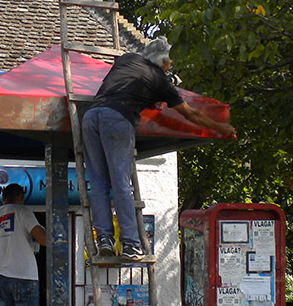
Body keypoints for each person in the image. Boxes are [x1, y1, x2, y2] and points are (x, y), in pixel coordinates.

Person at [82, 37, 237, 260]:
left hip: (91, 116)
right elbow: (190, 113)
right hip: (116, 119)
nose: (170, 66)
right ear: (163, 62)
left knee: (97, 183)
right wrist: (220, 127)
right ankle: (130, 244)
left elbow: (128, 83)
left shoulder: (127, 59)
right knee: (120, 184)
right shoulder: (160, 81)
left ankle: (104, 239)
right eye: (169, 62)